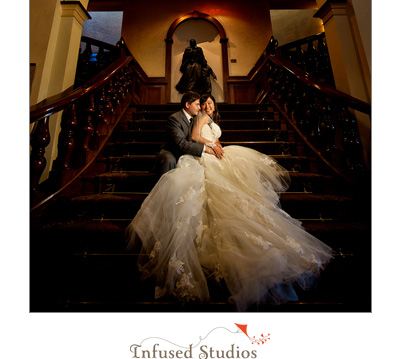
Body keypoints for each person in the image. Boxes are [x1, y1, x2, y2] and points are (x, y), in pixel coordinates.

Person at [127, 94, 333, 311]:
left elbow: (209, 138)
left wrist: (218, 147)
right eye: (201, 103)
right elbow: (192, 138)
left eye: (208, 104)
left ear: (214, 106)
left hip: (210, 151)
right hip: (195, 153)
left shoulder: (207, 118)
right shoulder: (192, 118)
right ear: (191, 105)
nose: (204, 106)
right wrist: (211, 147)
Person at [153, 90, 223, 178]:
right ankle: (165, 189)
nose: (199, 107)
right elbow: (181, 143)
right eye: (197, 104)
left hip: (188, 151)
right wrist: (208, 149)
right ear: (187, 105)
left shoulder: (195, 117)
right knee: (170, 160)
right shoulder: (175, 119)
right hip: (172, 151)